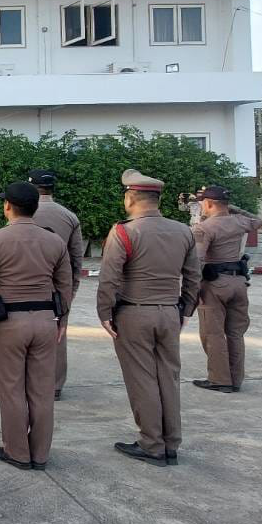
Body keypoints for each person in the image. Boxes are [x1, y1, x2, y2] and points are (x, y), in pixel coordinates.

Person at [96, 169, 200, 467]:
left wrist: (105, 312)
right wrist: (186, 309)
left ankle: (152, 444)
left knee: (142, 379)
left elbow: (109, 278)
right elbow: (194, 276)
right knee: (169, 377)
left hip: (134, 312)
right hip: (170, 312)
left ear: (130, 198)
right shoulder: (183, 232)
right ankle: (171, 443)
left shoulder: (125, 232)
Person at [0, 183, 73, 470]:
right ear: (35, 208)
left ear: (7, 206)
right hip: (45, 321)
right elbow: (65, 284)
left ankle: (17, 452)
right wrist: (62, 320)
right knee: (42, 390)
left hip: (8, 324)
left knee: (11, 389)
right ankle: (40, 453)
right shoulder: (54, 241)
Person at [189, 185, 262, 394]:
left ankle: (220, 379)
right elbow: (258, 221)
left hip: (215, 285)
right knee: (235, 333)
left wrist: (192, 291)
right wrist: (234, 209)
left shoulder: (204, 228)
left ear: (208, 203)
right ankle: (236, 379)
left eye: (203, 203)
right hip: (239, 282)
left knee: (213, 334)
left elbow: (198, 261)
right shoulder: (239, 221)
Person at [29, 169, 84, 399]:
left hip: (26, 283)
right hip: (58, 285)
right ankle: (55, 386)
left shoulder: (24, 211)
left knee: (26, 333)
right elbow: (76, 257)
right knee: (58, 333)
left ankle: (30, 382)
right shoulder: (69, 216)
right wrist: (71, 288)